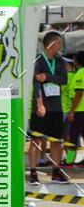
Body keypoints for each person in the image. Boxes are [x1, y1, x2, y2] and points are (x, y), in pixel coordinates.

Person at [28, 30, 69, 185]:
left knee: (57, 141)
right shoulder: (38, 60)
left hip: (56, 107)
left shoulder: (59, 61)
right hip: (41, 107)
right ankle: (33, 173)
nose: (61, 45)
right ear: (50, 43)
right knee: (36, 139)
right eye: (59, 42)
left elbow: (63, 79)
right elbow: (36, 82)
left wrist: (47, 76)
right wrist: (39, 104)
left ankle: (56, 172)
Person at [66, 51, 84, 166]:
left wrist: (72, 111)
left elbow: (79, 93)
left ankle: (69, 160)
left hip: (79, 110)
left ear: (76, 60)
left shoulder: (80, 73)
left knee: (72, 136)